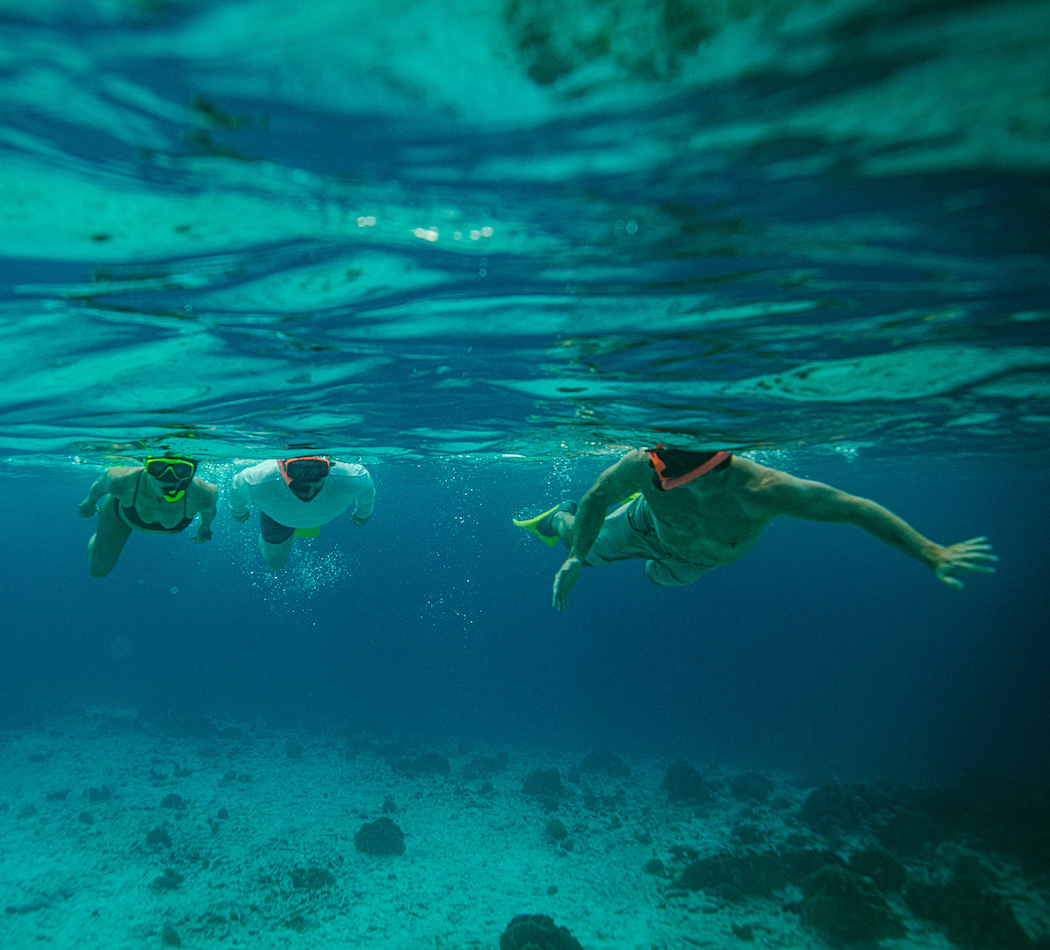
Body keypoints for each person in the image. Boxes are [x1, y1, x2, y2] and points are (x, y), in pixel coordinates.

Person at [514, 447, 997, 611]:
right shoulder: (644, 464)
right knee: (589, 545)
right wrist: (575, 557)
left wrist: (931, 552)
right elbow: (600, 494)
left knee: (657, 580)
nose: (662, 477)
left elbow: (856, 508)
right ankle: (558, 516)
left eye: (672, 478)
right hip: (645, 525)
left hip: (692, 563)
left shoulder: (765, 489)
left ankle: (613, 549)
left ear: (716, 468)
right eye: (659, 471)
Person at [79, 456, 218, 578]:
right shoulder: (122, 481)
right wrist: (89, 502)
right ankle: (99, 536)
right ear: (146, 465)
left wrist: (204, 528)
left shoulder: (203, 495)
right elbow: (101, 484)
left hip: (129, 508)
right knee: (98, 571)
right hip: (118, 514)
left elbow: (209, 512)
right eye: (157, 466)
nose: (167, 476)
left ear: (191, 471)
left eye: (181, 469)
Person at [228, 456, 375, 571]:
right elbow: (236, 491)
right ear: (283, 466)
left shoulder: (351, 479)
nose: (307, 482)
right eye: (296, 469)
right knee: (275, 564)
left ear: (329, 466)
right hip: (277, 517)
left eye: (317, 469)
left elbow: (367, 492)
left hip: (281, 510)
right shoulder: (259, 481)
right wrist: (238, 511)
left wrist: (363, 514)